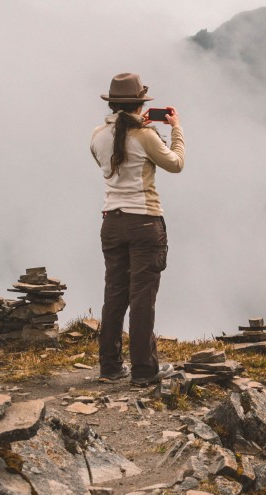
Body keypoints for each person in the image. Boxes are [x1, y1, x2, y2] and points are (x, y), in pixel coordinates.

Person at [90, 72, 185, 385]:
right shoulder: (146, 135)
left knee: (114, 294)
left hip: (111, 223)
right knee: (142, 298)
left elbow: (111, 164)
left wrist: (136, 126)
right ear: (139, 103)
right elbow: (176, 163)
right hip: (144, 222)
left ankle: (110, 367)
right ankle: (144, 370)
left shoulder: (97, 135)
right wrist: (175, 130)